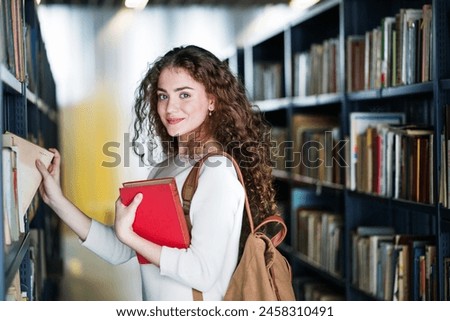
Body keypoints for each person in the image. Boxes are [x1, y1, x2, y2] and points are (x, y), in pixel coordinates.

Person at [36, 45, 279, 301]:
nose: (170, 108)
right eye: (163, 96)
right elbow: (121, 250)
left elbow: (202, 272)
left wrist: (128, 235)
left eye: (184, 95)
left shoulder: (217, 173)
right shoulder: (165, 168)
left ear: (212, 100)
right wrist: (57, 200)